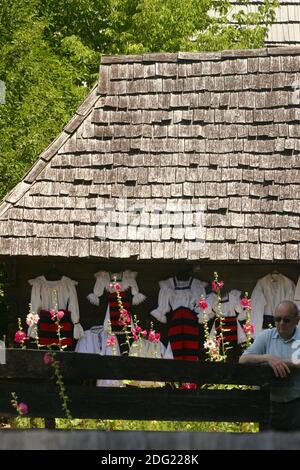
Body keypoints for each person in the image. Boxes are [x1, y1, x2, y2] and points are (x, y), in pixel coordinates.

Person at [239, 300, 300, 431]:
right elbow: (243, 359)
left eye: (287, 320)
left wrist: (282, 362)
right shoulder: (266, 336)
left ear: (297, 320)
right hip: (271, 404)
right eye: (278, 319)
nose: (281, 323)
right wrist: (268, 358)